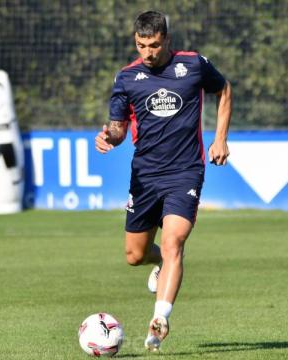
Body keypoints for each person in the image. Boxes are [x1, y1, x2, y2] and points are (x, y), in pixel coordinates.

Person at [94, 10, 232, 351]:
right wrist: (109, 137)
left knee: (174, 242)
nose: (148, 52)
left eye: (154, 44)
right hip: (145, 175)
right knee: (134, 254)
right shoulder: (126, 78)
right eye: (141, 45)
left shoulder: (194, 66)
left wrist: (220, 138)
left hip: (186, 171)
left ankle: (160, 318)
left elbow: (224, 89)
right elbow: (119, 127)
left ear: (166, 39)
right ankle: (159, 263)